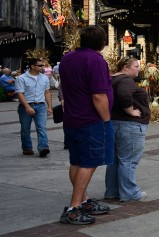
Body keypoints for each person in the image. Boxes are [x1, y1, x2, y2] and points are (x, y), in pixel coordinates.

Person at [59, 25, 114, 225]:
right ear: (102, 41)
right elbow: (98, 94)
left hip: (72, 118)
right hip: (91, 120)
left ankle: (83, 200)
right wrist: (106, 119)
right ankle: (74, 207)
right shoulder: (95, 60)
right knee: (89, 162)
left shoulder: (67, 58)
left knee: (77, 161)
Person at [105, 57, 149, 202]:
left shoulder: (112, 79)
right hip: (130, 125)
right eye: (136, 66)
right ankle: (129, 192)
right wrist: (130, 111)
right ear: (125, 67)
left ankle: (112, 191)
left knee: (115, 160)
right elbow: (124, 94)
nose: (138, 69)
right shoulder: (125, 80)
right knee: (129, 160)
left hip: (115, 122)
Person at [15, 58, 53, 157]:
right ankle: (27, 148)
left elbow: (47, 92)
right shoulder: (21, 78)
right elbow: (20, 93)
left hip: (40, 105)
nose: (42, 67)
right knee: (25, 129)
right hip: (25, 106)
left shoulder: (44, 78)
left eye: (43, 65)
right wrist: (27, 107)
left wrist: (49, 107)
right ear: (32, 66)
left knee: (42, 127)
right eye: (40, 65)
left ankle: (43, 148)